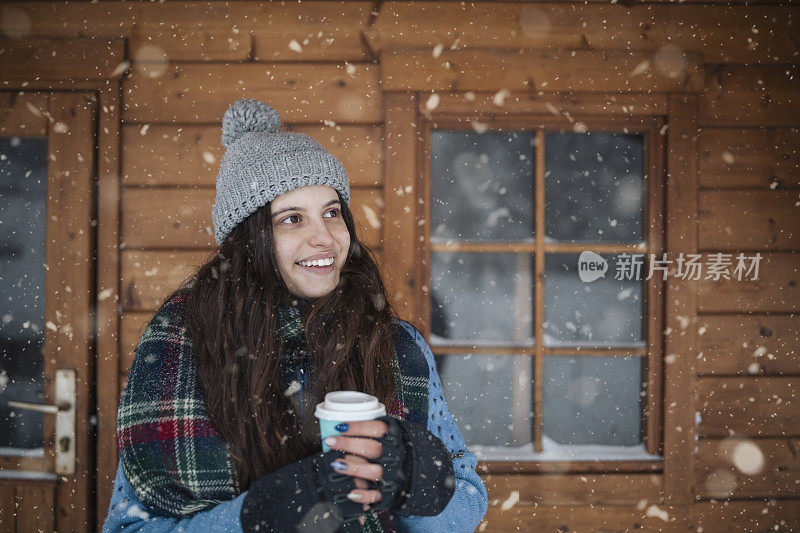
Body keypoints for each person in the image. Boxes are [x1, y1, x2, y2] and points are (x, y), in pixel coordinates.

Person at [102, 98, 487, 532]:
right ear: (248, 241)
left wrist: (423, 482)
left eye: (331, 213)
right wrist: (257, 516)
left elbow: (466, 503)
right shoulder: (180, 348)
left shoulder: (394, 342)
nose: (324, 237)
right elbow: (127, 528)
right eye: (291, 219)